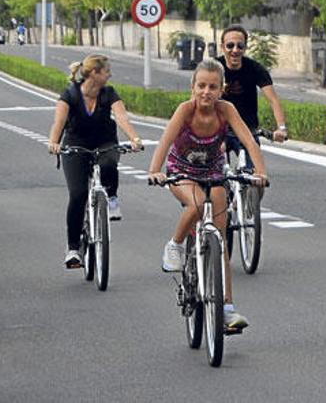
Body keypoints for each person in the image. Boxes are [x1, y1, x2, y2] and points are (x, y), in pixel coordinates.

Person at [148, 59, 268, 330]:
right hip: (181, 171)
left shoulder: (226, 111)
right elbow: (165, 141)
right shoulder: (185, 110)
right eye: (201, 86)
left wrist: (260, 172)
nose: (206, 92)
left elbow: (248, 141)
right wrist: (155, 171)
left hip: (214, 172)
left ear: (221, 89)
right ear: (193, 87)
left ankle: (226, 308)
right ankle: (175, 245)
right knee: (198, 205)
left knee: (221, 241)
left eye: (213, 87)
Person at [47, 54, 143, 268]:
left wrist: (134, 138)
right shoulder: (70, 95)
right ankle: (73, 248)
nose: (110, 74)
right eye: (106, 70)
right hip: (76, 145)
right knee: (78, 194)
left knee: (109, 162)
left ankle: (112, 198)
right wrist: (54, 142)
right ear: (94, 73)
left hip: (104, 142)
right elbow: (59, 121)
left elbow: (122, 117)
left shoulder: (109, 93)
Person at [216, 25, 288, 172]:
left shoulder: (255, 69)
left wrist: (281, 128)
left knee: (256, 176)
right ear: (222, 47)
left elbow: (273, 100)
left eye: (240, 46)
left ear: (245, 48)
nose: (235, 50)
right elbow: (198, 97)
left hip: (248, 130)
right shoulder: (213, 68)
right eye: (230, 45)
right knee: (213, 174)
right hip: (217, 129)